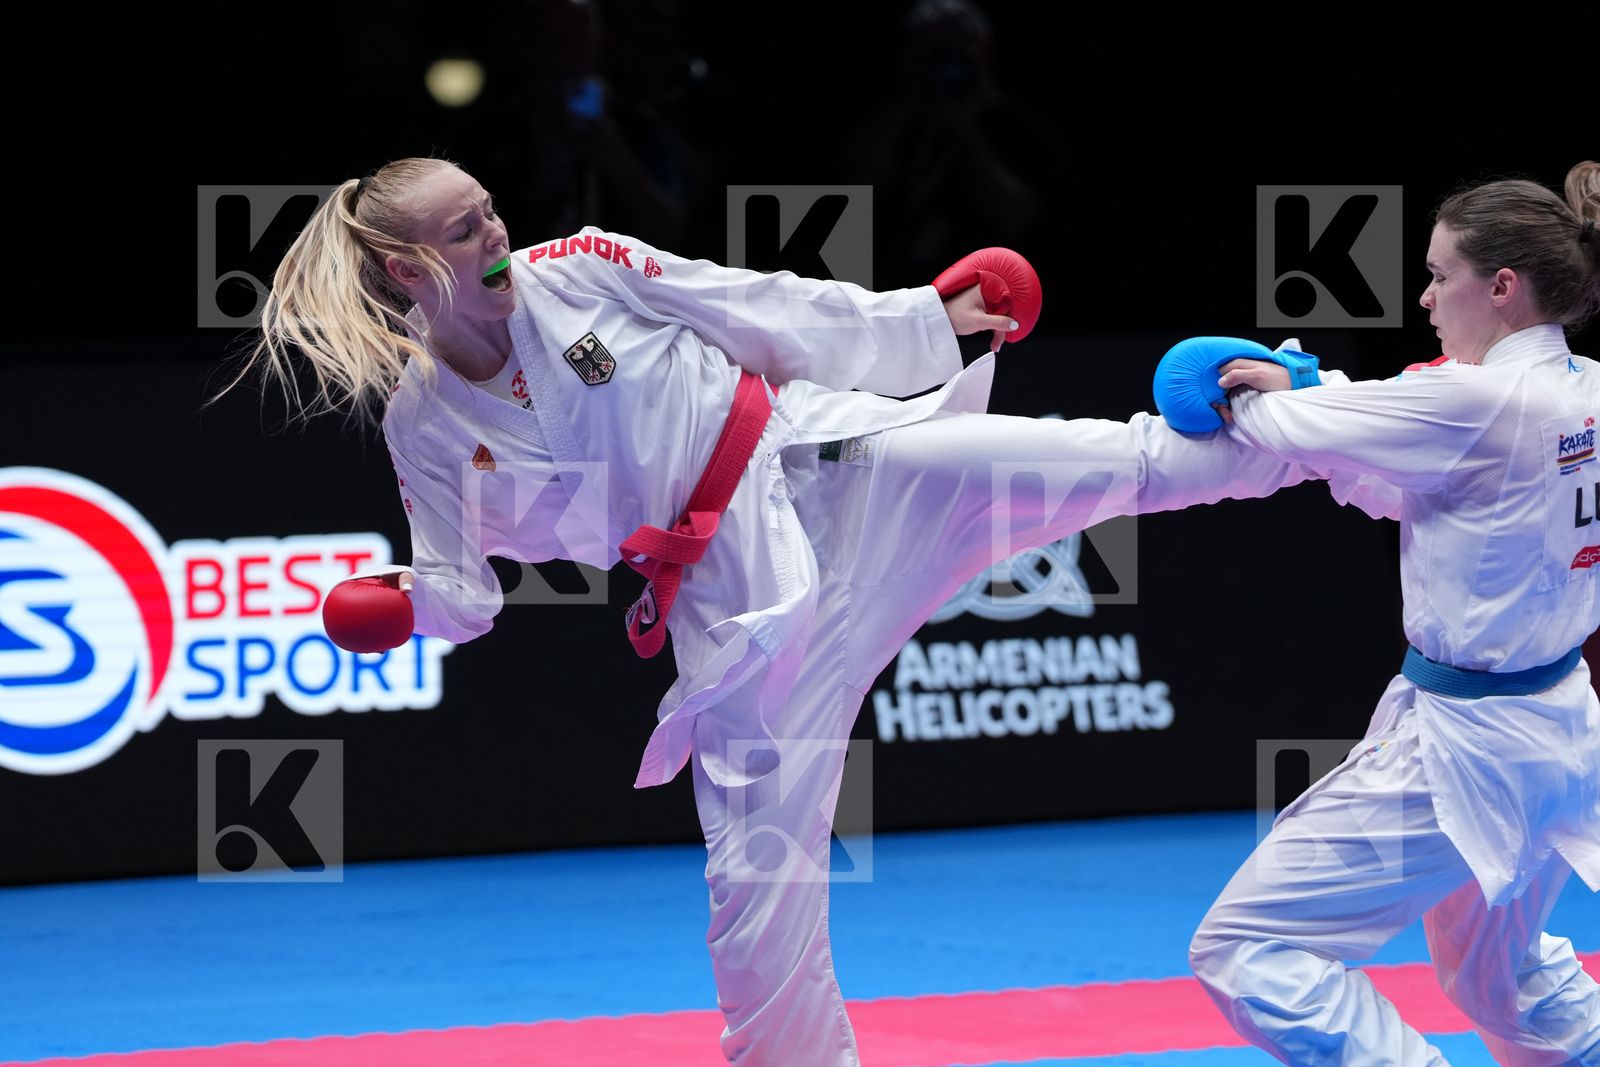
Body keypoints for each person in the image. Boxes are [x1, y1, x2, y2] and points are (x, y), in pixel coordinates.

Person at [220, 155, 1327, 1066]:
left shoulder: (584, 268)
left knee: (1074, 460)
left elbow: (760, 304)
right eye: (466, 232)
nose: (498, 235)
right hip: (730, 610)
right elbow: (466, 590)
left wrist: (929, 320)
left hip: (823, 459)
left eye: (491, 208)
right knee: (756, 888)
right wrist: (405, 606)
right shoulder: (422, 422)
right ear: (406, 269)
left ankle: (1312, 418)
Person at [1189, 162, 1600, 1065]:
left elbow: (1284, 428)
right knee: (1506, 980)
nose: (1422, 297)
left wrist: (1262, 384)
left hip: (1469, 747)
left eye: (1438, 274)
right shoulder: (1585, 390)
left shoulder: (1479, 397)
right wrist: (1312, 385)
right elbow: (1409, 478)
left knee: (1246, 946)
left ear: (1501, 286)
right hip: (1561, 726)